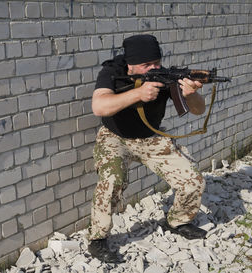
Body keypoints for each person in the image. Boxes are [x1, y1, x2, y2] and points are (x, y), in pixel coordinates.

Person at [87, 34, 208, 263]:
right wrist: (138, 94)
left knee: (193, 180)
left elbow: (198, 110)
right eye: (146, 65)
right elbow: (99, 106)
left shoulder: (166, 77)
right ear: (131, 64)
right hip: (115, 138)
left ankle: (178, 221)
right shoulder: (111, 72)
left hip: (151, 137)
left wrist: (192, 94)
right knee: (112, 179)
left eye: (156, 62)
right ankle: (97, 239)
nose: (154, 68)